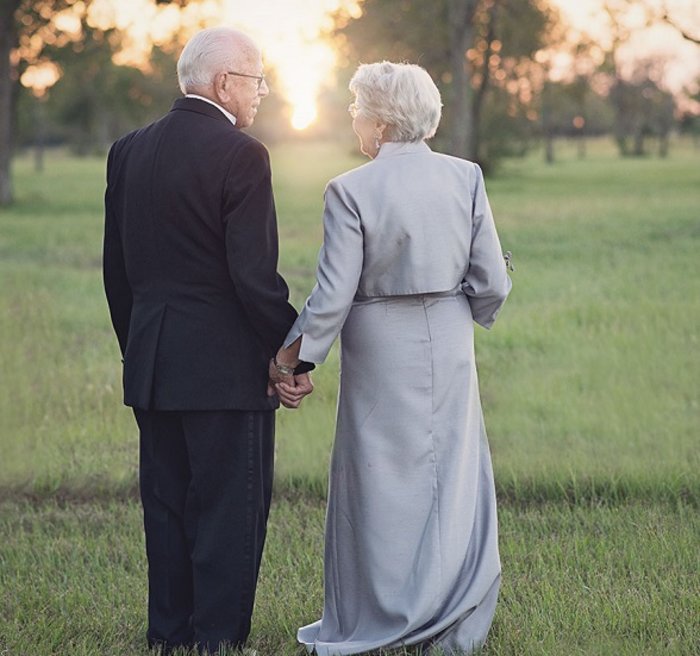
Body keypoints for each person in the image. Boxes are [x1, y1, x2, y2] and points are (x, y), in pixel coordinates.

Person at [273, 61, 512, 655]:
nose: (354, 118)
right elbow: (492, 282)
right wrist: (467, 309)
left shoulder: (350, 189)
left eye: (357, 109)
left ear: (380, 122)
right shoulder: (467, 177)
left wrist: (294, 360)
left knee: (378, 481)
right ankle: (452, 611)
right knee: (450, 474)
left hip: (379, 341)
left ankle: (382, 614)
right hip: (451, 339)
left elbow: (331, 297)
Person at [103, 27, 313, 655]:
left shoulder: (127, 150)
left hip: (153, 365)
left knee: (165, 509)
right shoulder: (242, 154)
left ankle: (169, 637)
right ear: (225, 82)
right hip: (224, 374)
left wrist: (138, 347)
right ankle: (218, 641)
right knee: (229, 514)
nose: (261, 94)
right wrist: (289, 354)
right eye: (256, 81)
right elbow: (254, 278)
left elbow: (118, 272)